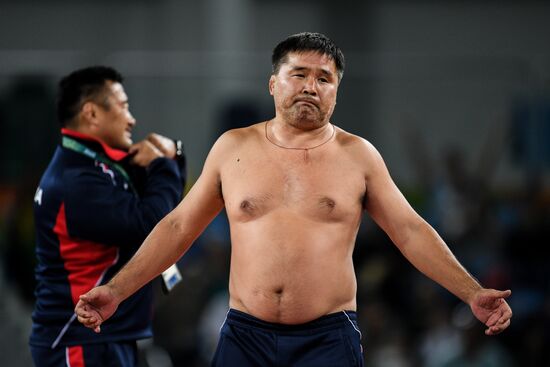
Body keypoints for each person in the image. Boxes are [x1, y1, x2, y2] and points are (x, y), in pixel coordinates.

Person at [75, 33, 512, 366]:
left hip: (329, 337)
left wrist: (471, 293)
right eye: (298, 74)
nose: (310, 86)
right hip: (245, 335)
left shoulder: (359, 156)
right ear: (273, 84)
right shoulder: (232, 148)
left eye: (324, 79)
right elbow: (177, 228)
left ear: (336, 92)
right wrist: (116, 290)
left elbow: (411, 231)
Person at [29, 66, 187, 366]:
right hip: (80, 339)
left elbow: (169, 204)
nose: (132, 119)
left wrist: (173, 156)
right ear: (92, 113)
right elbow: (155, 226)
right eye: (124, 106)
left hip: (108, 335)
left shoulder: (94, 166)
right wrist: (163, 166)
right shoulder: (75, 182)